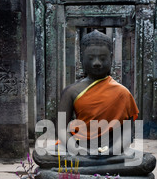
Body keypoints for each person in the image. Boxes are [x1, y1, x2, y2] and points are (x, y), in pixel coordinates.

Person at [57, 29, 139, 157]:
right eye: (91, 58)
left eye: (102, 58)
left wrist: (112, 151)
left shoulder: (122, 93)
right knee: (41, 155)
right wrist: (77, 150)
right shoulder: (71, 91)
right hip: (79, 147)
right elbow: (62, 129)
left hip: (112, 148)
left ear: (110, 58)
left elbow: (128, 132)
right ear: (82, 59)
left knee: (146, 161)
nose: (96, 63)